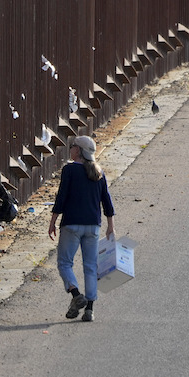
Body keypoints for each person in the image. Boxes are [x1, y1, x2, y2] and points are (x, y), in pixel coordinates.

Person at [47, 134, 116, 322]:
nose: (70, 149)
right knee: (91, 267)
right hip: (93, 226)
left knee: (64, 263)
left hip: (71, 224)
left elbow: (61, 197)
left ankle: (76, 294)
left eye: (72, 146)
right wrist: (110, 226)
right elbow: (106, 201)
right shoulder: (99, 172)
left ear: (78, 151)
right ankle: (90, 310)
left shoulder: (69, 170)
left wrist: (53, 220)